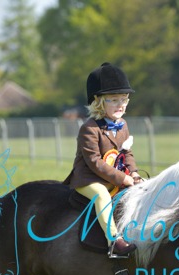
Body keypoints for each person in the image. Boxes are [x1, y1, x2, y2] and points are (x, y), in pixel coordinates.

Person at [63, 62, 143, 258]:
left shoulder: (123, 124)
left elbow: (127, 154)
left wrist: (134, 173)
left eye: (124, 99)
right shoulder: (89, 128)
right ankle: (113, 241)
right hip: (89, 179)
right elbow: (95, 162)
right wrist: (123, 178)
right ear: (98, 102)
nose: (120, 105)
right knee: (101, 196)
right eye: (114, 100)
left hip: (115, 176)